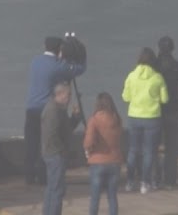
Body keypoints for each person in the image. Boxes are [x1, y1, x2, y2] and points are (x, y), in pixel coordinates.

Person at [24, 37, 87, 185]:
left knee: (31, 144)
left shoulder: (35, 62)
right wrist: (82, 54)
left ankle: (29, 177)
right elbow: (80, 69)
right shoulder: (58, 66)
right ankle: (42, 177)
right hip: (47, 110)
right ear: (59, 49)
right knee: (45, 144)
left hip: (31, 108)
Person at [121, 46, 168, 194]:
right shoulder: (158, 77)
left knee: (133, 150)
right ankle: (144, 183)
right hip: (152, 117)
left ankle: (129, 182)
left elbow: (125, 97)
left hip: (134, 116)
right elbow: (165, 99)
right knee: (149, 152)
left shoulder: (131, 76)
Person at [41, 82, 82, 215]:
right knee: (57, 190)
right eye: (68, 94)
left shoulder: (59, 109)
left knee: (52, 188)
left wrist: (75, 117)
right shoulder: (53, 110)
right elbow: (52, 134)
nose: (69, 98)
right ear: (59, 94)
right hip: (55, 154)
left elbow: (67, 129)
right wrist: (62, 151)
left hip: (54, 153)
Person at [154, 35, 178, 188]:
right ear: (172, 48)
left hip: (154, 110)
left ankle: (154, 179)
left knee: (153, 145)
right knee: (171, 147)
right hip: (173, 109)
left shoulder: (153, 65)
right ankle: (170, 180)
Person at [83, 92, 124, 215]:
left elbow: (88, 142)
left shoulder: (94, 120)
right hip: (115, 161)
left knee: (95, 197)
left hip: (98, 161)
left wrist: (88, 148)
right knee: (112, 197)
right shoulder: (117, 119)